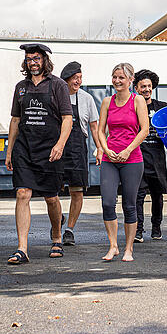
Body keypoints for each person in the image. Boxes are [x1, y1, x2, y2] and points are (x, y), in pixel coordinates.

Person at [5, 44, 73, 264]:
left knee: (51, 197)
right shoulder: (21, 87)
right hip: (24, 148)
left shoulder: (58, 85)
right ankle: (22, 248)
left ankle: (56, 237)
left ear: (44, 60)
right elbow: (15, 119)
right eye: (28, 59)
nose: (32, 62)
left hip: (50, 148)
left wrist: (60, 145)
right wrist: (9, 150)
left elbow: (67, 119)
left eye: (36, 58)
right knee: (22, 193)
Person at [96, 63, 149, 262]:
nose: (117, 81)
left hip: (132, 159)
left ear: (130, 80)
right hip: (110, 158)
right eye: (114, 77)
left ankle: (128, 249)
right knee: (108, 202)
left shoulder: (138, 101)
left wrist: (128, 150)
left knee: (129, 205)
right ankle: (113, 246)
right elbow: (101, 130)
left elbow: (144, 130)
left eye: (121, 78)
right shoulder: (107, 102)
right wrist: (105, 149)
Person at [59, 61, 102, 246]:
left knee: (77, 191)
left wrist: (100, 148)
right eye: (75, 78)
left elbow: (94, 126)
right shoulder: (57, 96)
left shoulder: (86, 99)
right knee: (51, 190)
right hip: (58, 146)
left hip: (77, 148)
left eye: (80, 78)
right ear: (66, 80)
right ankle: (57, 214)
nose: (78, 81)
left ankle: (69, 229)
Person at [133, 69, 167, 242]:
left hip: (157, 158)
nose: (147, 89)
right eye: (143, 86)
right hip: (138, 157)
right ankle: (138, 230)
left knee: (157, 195)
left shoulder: (162, 108)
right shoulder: (132, 106)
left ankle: (156, 226)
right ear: (136, 88)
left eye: (149, 86)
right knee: (138, 195)